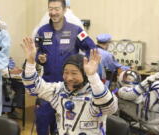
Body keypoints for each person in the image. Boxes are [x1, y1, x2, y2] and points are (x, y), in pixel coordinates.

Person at [21, 37, 118, 135]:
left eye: (74, 73)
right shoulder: (60, 90)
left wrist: (92, 76)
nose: (69, 78)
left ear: (84, 75)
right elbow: (33, 88)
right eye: (65, 72)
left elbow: (109, 108)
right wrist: (30, 62)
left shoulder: (96, 93)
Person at [34, 0, 96, 134]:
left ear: (64, 10)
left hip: (69, 88)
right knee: (42, 120)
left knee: (65, 125)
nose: (53, 12)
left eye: (56, 9)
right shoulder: (42, 31)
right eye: (50, 9)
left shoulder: (76, 30)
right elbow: (37, 52)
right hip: (48, 86)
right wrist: (39, 57)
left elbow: (91, 48)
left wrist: (83, 67)